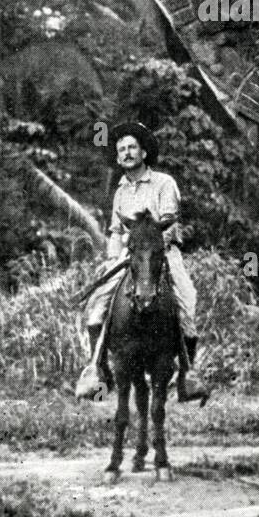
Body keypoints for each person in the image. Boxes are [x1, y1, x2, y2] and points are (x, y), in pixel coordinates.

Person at [78, 122, 209, 403]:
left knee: (186, 300)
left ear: (144, 153)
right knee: (96, 307)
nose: (126, 153)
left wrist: (149, 244)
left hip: (162, 252)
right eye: (121, 149)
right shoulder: (121, 190)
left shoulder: (164, 183)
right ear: (117, 156)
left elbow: (169, 224)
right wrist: (112, 259)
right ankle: (97, 369)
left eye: (132, 148)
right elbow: (115, 231)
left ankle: (188, 373)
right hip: (128, 256)